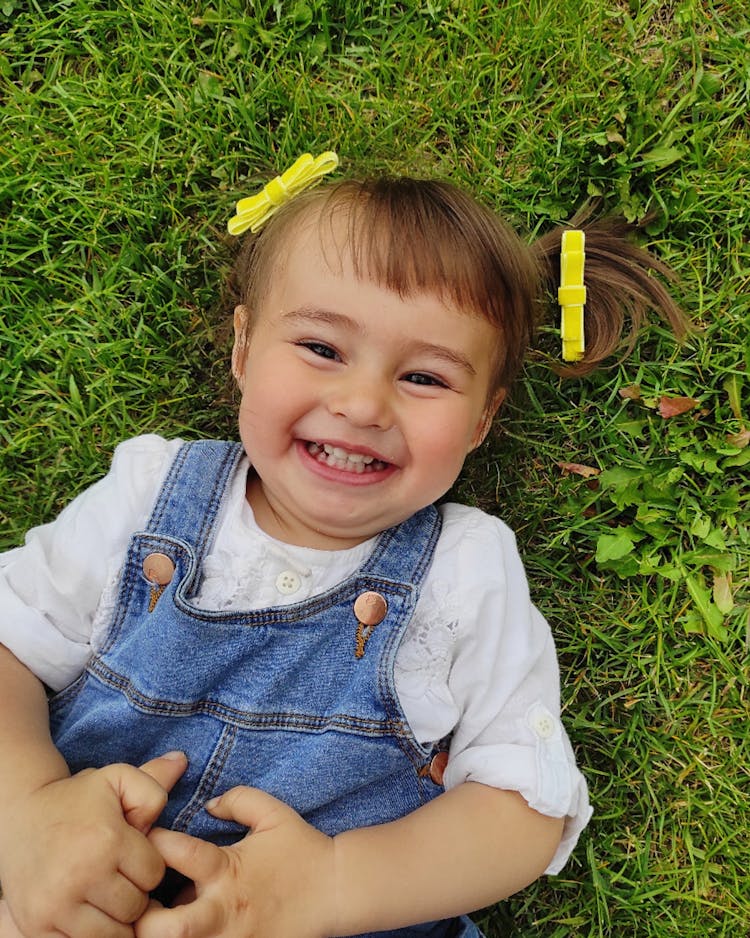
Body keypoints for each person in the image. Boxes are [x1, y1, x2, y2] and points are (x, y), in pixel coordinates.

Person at [0, 154, 687, 938]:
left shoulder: (465, 568)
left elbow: (522, 803)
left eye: (425, 378)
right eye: (323, 349)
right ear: (244, 349)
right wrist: (25, 813)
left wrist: (329, 885)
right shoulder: (151, 491)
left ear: (481, 422)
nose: (362, 404)